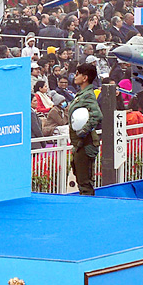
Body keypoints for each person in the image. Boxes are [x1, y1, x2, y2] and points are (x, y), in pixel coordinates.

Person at [66, 62, 101, 196]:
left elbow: (97, 115)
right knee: (80, 177)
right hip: (80, 143)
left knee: (85, 182)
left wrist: (83, 131)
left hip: (86, 143)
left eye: (78, 73)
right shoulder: (82, 94)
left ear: (85, 77)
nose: (75, 76)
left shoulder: (88, 95)